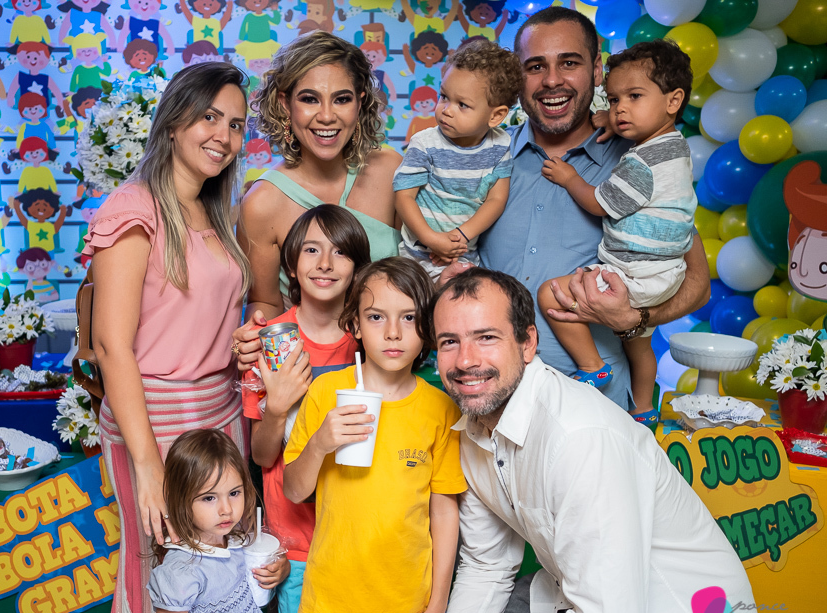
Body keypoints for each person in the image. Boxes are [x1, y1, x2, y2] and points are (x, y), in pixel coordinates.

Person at [423, 268, 758, 613]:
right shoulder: (473, 430)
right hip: (582, 601)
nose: (465, 361)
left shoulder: (579, 438)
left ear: (528, 343)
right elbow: (488, 563)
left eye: (486, 338)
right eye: (450, 342)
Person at [82, 62, 281, 613]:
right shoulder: (133, 208)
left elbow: (198, 315)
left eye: (237, 124)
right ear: (173, 123)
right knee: (159, 579)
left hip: (222, 416)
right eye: (209, 117)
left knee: (222, 581)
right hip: (156, 421)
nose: (224, 134)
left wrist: (240, 342)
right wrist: (147, 466)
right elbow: (112, 346)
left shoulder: (215, 211)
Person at [468, 6, 709, 417]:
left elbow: (697, 284)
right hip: (489, 400)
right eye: (535, 66)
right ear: (517, 76)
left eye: (569, 63)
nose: (552, 80)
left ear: (596, 70)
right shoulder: (485, 154)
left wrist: (635, 318)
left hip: (597, 410)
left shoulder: (641, 161)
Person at [283, 257, 466, 613]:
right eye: (376, 316)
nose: (393, 332)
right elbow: (294, 491)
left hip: (408, 604)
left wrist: (437, 607)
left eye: (409, 317)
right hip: (332, 597)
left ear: (428, 327)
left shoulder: (441, 410)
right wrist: (320, 444)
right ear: (355, 325)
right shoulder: (326, 392)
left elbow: (444, 512)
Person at [538, 39, 696, 419]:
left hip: (633, 274)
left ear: (673, 101)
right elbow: (640, 121)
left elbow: (599, 203)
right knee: (639, 347)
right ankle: (644, 409)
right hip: (665, 274)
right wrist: (614, 121)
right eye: (613, 100)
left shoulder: (641, 162)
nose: (620, 108)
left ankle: (593, 366)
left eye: (634, 97)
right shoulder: (674, 147)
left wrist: (570, 177)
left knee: (550, 293)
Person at [242, 204, 371, 613]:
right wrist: (277, 407)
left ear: (357, 267)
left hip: (359, 528)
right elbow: (261, 455)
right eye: (312, 250)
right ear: (292, 265)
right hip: (295, 537)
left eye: (340, 252)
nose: (325, 263)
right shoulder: (270, 342)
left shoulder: (371, 338)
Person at [240, 30, 402, 320]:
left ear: (360, 102)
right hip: (307, 349)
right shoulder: (261, 204)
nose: (327, 116)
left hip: (395, 345)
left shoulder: (391, 170)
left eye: (341, 99)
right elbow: (265, 302)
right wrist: (257, 325)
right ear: (285, 103)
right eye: (310, 99)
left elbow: (421, 266)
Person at [141, 429, 288, 613]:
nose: (226, 509)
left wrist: (280, 569)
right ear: (181, 499)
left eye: (234, 493)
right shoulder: (183, 570)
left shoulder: (235, 540)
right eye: (209, 498)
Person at [394, 39, 520, 279]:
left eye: (462, 104)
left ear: (496, 116)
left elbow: (496, 199)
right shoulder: (425, 143)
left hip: (462, 257)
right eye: (444, 96)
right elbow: (403, 197)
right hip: (416, 258)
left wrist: (461, 236)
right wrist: (432, 239)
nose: (446, 110)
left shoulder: (499, 146)